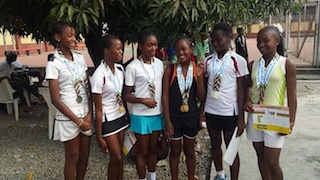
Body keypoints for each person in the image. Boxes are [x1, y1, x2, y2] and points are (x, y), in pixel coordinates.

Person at [244, 26, 297, 180]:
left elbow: (292, 95)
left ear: (277, 41)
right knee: (260, 156)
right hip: (255, 116)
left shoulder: (287, 64)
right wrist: (247, 100)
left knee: (272, 162)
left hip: (276, 118)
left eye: (265, 41)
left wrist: (291, 121)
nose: (261, 44)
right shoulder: (253, 64)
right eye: (258, 41)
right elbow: (248, 85)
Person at [200, 22, 249, 180]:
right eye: (212, 40)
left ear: (229, 38)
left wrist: (241, 117)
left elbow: (241, 90)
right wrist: (202, 113)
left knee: (231, 149)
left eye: (219, 40)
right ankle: (220, 174)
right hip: (211, 110)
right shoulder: (208, 61)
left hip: (229, 111)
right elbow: (206, 89)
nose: (215, 43)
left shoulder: (237, 60)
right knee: (215, 145)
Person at [45, 20, 92, 180]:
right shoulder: (54, 63)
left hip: (85, 114)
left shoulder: (79, 59)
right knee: (73, 157)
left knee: (85, 155)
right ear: (58, 37)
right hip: (68, 117)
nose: (74, 39)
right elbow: (55, 99)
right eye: (69, 36)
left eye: (74, 35)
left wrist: (90, 114)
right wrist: (78, 122)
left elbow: (88, 89)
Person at [162, 37, 205, 180]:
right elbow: (165, 96)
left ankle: (191, 177)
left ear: (191, 50)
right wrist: (167, 121)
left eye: (184, 49)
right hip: (174, 118)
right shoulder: (170, 70)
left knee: (189, 150)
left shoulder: (196, 69)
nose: (180, 52)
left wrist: (199, 77)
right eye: (177, 50)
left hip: (191, 116)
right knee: (174, 151)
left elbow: (201, 96)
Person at [123, 29, 164, 180]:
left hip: (156, 115)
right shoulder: (133, 67)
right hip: (141, 116)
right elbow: (126, 95)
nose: (153, 48)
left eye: (155, 45)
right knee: (142, 151)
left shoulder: (159, 64)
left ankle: (152, 177)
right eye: (149, 45)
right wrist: (142, 100)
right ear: (141, 46)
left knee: (153, 150)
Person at [91, 34, 129, 180]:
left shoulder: (120, 69)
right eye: (118, 49)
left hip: (121, 117)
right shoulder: (99, 75)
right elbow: (98, 109)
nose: (121, 52)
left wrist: (128, 116)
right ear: (107, 51)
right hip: (108, 120)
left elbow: (122, 96)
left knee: (121, 157)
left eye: (121, 49)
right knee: (116, 158)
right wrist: (99, 137)